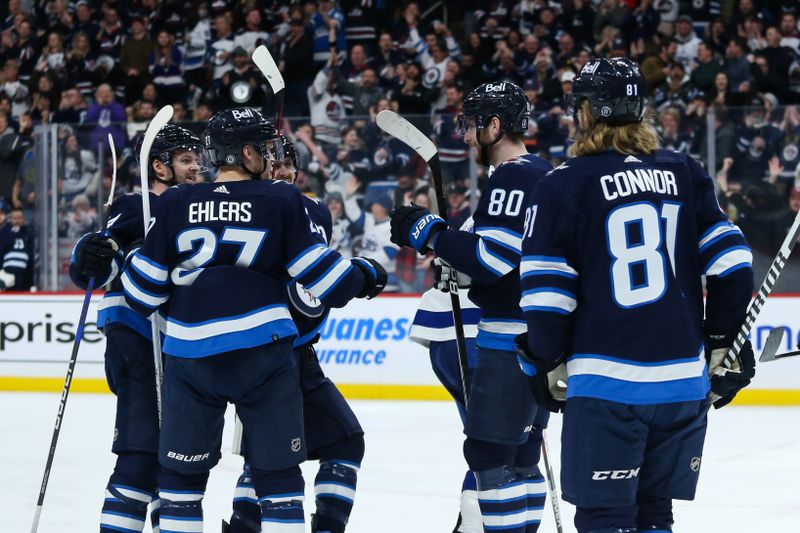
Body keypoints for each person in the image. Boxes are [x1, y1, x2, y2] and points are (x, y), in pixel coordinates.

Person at [517, 57, 756, 533]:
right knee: (654, 513)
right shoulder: (684, 171)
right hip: (682, 386)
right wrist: (724, 340)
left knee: (606, 517)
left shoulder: (564, 182)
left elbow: (547, 294)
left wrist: (541, 361)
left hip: (608, 384)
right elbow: (733, 264)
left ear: (587, 112)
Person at [121, 108, 386, 532]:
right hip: (262, 357)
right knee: (279, 481)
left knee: (180, 485)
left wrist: (133, 256)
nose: (270, 157)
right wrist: (368, 273)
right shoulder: (281, 199)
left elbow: (140, 294)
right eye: (264, 149)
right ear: (246, 153)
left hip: (191, 360)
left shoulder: (174, 202)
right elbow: (328, 282)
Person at [390, 81, 551, 533]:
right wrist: (450, 244)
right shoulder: (541, 170)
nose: (464, 135)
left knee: (489, 454)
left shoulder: (513, 176)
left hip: (507, 339)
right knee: (522, 454)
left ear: (494, 125)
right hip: (539, 336)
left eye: (471, 125)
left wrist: (432, 233)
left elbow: (492, 260)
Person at [225, 136, 383, 533]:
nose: (280, 169)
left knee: (292, 449)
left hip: (278, 351)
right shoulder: (295, 207)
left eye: (286, 164)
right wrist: (359, 274)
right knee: (284, 455)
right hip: (274, 352)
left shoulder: (293, 206)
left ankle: (249, 523)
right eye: (272, 161)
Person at [69, 124, 206, 533]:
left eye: (197, 158)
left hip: (179, 342)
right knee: (141, 454)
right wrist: (87, 254)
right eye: (185, 159)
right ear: (159, 168)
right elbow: (101, 262)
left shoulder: (198, 208)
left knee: (178, 459)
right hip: (137, 335)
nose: (196, 166)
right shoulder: (139, 204)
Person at [0, 206, 34, 291]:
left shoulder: (29, 234)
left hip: (24, 276)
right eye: (15, 218)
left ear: (24, 219)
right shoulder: (5, 232)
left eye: (20, 218)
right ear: (11, 219)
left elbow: (31, 257)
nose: (17, 220)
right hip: (7, 275)